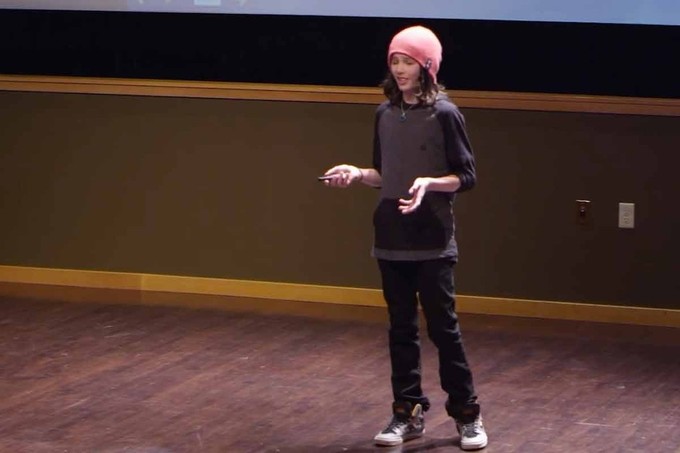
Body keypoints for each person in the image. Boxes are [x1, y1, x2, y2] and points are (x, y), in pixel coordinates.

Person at [321, 25, 488, 450]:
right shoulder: (384, 113)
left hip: (432, 237)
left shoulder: (445, 114)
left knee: (444, 330)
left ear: (427, 66)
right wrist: (356, 174)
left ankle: (467, 415)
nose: (399, 69)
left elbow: (466, 176)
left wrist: (430, 183)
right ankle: (407, 412)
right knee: (401, 329)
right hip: (391, 235)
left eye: (408, 62)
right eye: (395, 61)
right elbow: (384, 175)